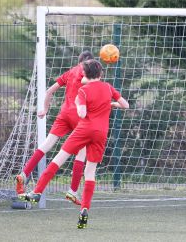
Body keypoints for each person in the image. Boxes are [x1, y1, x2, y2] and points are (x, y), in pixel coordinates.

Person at [25, 59, 129, 229]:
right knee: (90, 172)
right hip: (101, 133)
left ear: (85, 75)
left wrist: (84, 108)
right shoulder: (108, 88)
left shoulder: (83, 90)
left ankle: (37, 192)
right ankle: (84, 210)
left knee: (59, 159)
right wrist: (109, 104)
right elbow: (126, 105)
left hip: (84, 130)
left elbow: (81, 113)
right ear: (101, 74)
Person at [15, 51, 94, 205]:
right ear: (88, 63)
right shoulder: (88, 76)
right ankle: (72, 191)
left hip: (64, 113)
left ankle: (24, 174)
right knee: (81, 153)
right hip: (79, 115)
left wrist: (44, 110)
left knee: (46, 145)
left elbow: (49, 91)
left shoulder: (70, 72)